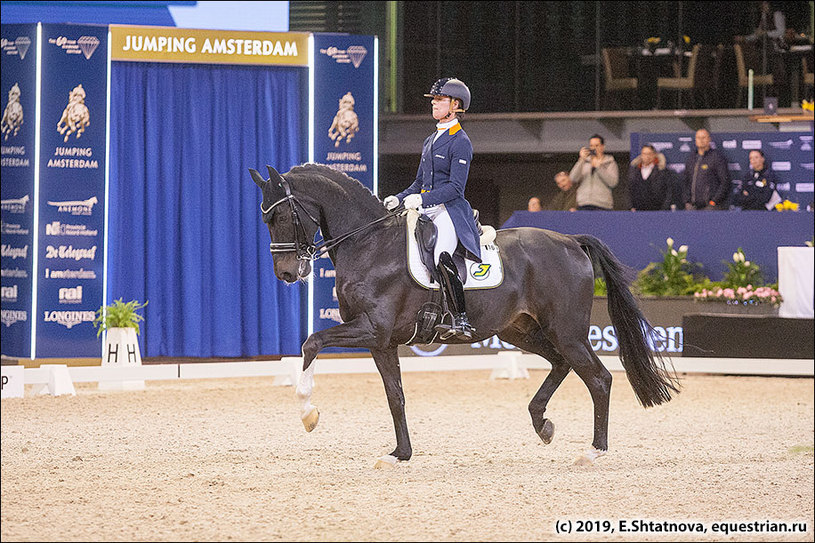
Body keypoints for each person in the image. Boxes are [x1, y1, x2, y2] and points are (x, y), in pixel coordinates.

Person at [382, 77, 480, 341]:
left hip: (449, 210)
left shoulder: (460, 141)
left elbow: (456, 188)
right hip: (425, 209)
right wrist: (399, 198)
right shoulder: (430, 140)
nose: (434, 104)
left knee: (441, 256)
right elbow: (418, 183)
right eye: (434, 100)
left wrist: (423, 201)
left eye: (440, 100)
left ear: (455, 105)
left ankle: (461, 319)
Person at [682, 128, 730, 210]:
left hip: (711, 208)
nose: (701, 140)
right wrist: (687, 201)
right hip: (693, 208)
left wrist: (714, 201)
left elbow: (725, 182)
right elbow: (685, 182)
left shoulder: (717, 157)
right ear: (695, 140)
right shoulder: (691, 159)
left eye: (704, 137)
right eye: (698, 138)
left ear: (709, 139)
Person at [569, 134, 619, 210]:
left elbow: (613, 182)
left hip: (602, 204)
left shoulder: (610, 163)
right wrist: (581, 160)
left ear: (602, 147)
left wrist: (599, 168)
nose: (594, 149)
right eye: (591, 146)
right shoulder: (584, 162)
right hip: (584, 203)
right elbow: (573, 178)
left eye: (597, 146)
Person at [628, 144, 673, 211]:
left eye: (649, 154)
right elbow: (629, 190)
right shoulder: (634, 171)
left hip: (658, 211)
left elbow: (668, 191)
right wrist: (631, 207)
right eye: (644, 154)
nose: (647, 156)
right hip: (638, 212)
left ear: (654, 155)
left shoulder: (662, 171)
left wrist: (664, 209)